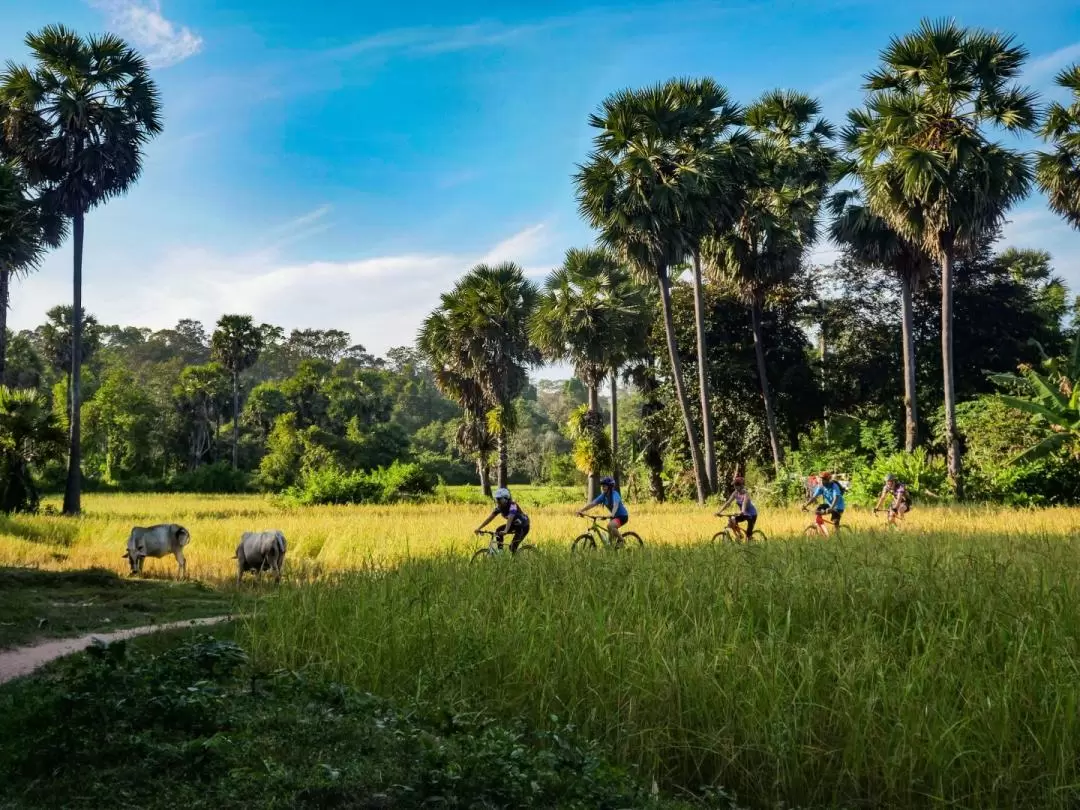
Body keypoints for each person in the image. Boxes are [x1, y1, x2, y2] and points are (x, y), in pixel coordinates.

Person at [578, 476, 628, 547]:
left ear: (610, 487)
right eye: (602, 486)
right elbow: (592, 504)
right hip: (614, 517)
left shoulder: (615, 494)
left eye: (605, 486)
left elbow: (616, 505)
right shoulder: (603, 496)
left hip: (622, 516)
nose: (603, 488)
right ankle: (612, 550)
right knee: (610, 540)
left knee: (610, 526)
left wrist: (612, 514)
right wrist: (581, 510)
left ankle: (622, 541)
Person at [475, 487, 530, 552]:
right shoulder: (499, 507)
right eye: (496, 499)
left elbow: (510, 518)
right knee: (498, 531)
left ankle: (515, 561)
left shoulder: (513, 505)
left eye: (499, 499)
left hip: (523, 526)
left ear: (506, 498)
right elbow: (489, 518)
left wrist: (506, 530)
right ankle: (500, 552)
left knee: (512, 547)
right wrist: (479, 528)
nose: (497, 501)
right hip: (514, 525)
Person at [716, 476, 757, 540]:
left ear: (742, 486)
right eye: (735, 485)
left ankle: (750, 539)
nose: (735, 486)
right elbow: (728, 503)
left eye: (737, 485)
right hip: (743, 513)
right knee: (732, 520)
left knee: (749, 534)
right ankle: (740, 535)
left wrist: (742, 512)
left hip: (752, 514)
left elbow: (744, 504)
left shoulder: (746, 494)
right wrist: (719, 512)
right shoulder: (735, 493)